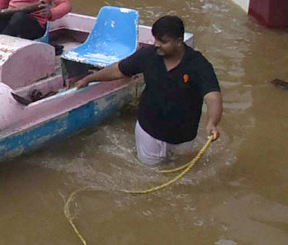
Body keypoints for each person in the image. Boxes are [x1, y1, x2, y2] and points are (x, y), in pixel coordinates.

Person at [72, 14, 222, 165]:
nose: (156, 44)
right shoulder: (148, 56)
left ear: (178, 41)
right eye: (155, 39)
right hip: (149, 132)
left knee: (180, 169)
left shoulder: (198, 65)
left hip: (184, 137)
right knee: (150, 173)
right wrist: (88, 79)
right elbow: (119, 70)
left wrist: (213, 122)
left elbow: (213, 96)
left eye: (163, 42)